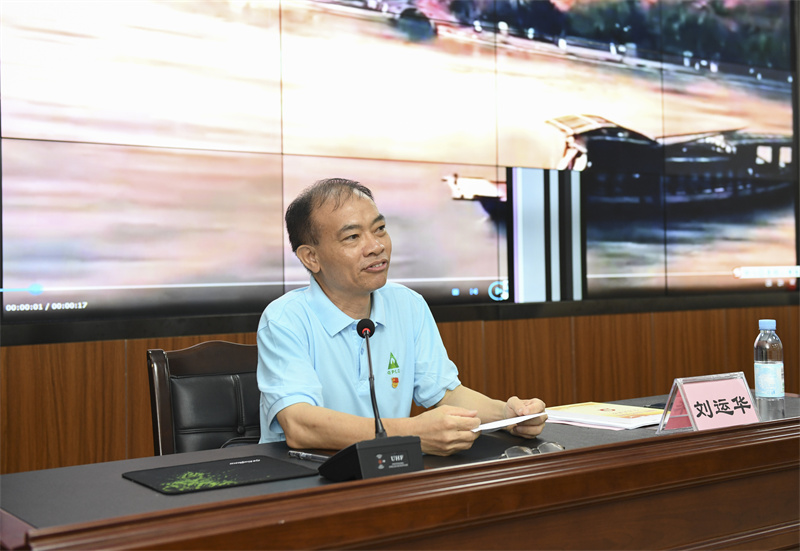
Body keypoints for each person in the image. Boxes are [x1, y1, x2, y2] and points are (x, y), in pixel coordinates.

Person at [257, 178, 546, 456]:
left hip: (389, 471)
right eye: (353, 237)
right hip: (308, 476)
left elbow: (446, 393)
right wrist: (411, 433)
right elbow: (299, 425)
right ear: (311, 257)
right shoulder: (285, 319)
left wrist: (509, 415)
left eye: (380, 229)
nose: (376, 246)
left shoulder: (407, 304)